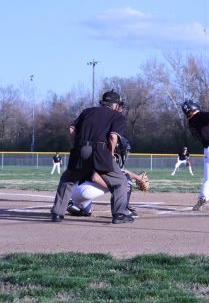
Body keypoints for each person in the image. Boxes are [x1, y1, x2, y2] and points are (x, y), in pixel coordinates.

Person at [50, 89, 133, 224]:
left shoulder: (87, 111)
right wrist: (110, 154)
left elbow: (71, 129)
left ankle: (57, 214)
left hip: (81, 149)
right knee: (121, 181)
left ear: (103, 102)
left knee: (68, 180)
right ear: (115, 105)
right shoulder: (117, 116)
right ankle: (119, 214)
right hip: (100, 151)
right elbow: (113, 137)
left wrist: (77, 145)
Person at [67, 135, 143, 218]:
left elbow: (121, 171)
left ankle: (75, 205)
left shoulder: (99, 153)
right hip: (86, 189)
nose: (126, 153)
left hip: (78, 189)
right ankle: (123, 209)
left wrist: (139, 178)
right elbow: (95, 177)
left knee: (86, 212)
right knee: (124, 179)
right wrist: (115, 189)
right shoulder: (106, 157)